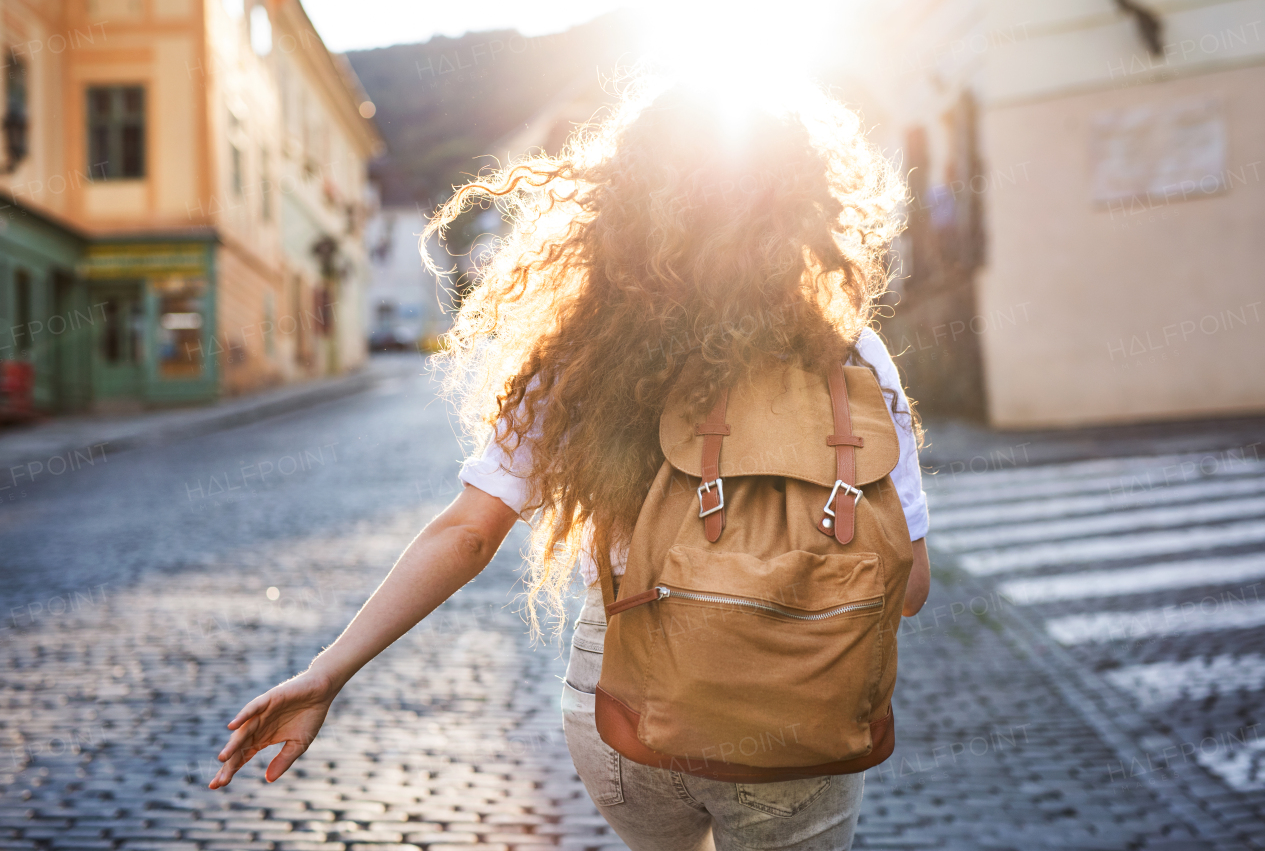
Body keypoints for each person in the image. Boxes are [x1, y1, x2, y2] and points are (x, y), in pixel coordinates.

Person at [210, 77, 931, 850]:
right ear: (804, 205)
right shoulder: (849, 354)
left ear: (626, 202)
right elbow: (910, 587)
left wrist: (329, 671)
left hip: (624, 704)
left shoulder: (582, 353)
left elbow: (467, 534)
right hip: (803, 701)